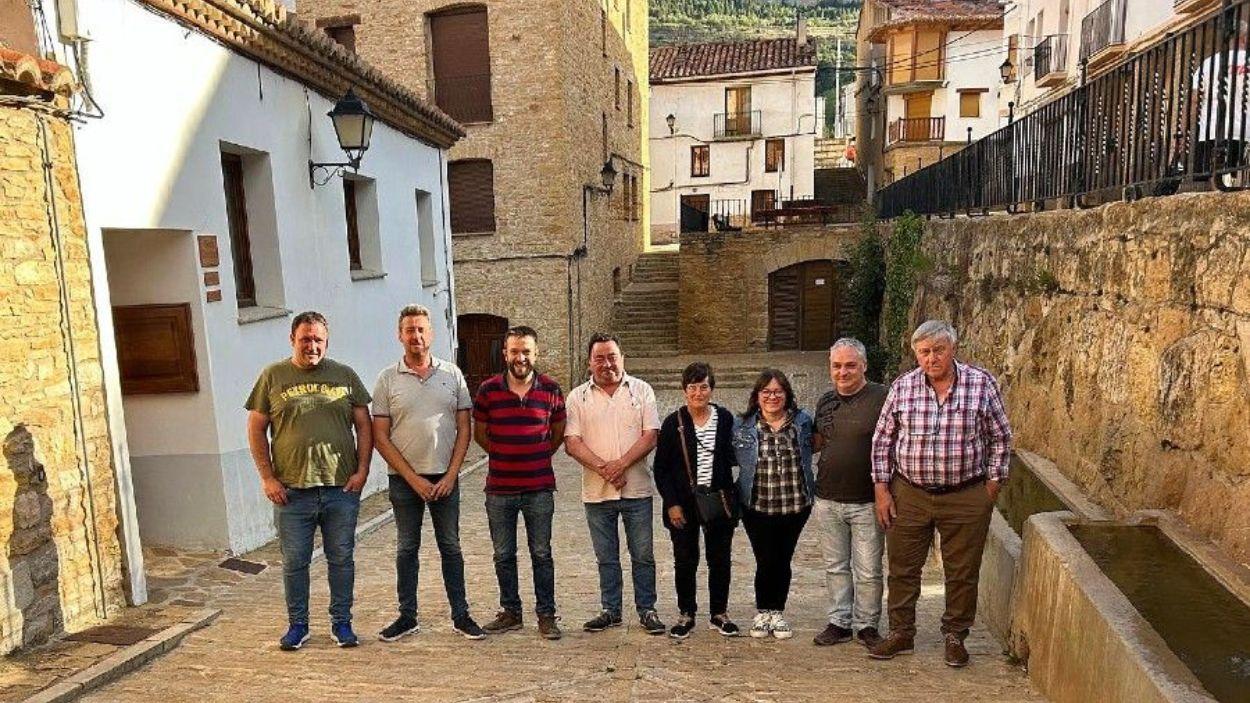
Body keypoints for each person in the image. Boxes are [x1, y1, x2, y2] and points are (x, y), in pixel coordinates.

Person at [868, 320, 1013, 668]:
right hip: (910, 493)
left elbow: (1001, 437)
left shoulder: (981, 384)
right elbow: (882, 440)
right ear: (916, 354)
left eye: (938, 350)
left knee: (962, 570)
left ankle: (955, 635)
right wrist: (882, 490)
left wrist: (991, 487)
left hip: (966, 494)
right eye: (924, 352)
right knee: (902, 568)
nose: (931, 358)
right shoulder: (903, 387)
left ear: (953, 349)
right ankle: (901, 632)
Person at [245, 311, 372, 650]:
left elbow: (364, 425)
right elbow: (256, 428)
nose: (312, 345)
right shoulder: (273, 376)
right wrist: (267, 477)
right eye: (305, 339)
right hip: (291, 492)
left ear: (326, 342)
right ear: (292, 339)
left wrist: (362, 470)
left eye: (318, 339)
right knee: (294, 562)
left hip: (339, 489)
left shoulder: (345, 375)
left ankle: (342, 623)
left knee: (341, 559)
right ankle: (298, 626)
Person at [371, 304, 484, 642]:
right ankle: (407, 616)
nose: (416, 336)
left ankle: (461, 615)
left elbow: (465, 428)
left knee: (451, 547)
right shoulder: (387, 379)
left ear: (431, 334)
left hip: (445, 478)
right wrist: (412, 478)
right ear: (400, 335)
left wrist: (451, 475)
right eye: (410, 330)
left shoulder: (453, 374)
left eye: (421, 329)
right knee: (407, 548)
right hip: (405, 481)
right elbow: (380, 437)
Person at [565, 333, 665, 635]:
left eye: (612, 357)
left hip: (637, 489)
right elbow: (572, 442)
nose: (607, 363)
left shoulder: (642, 390)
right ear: (589, 363)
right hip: (597, 492)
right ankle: (611, 610)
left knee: (643, 555)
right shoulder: (577, 397)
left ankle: (647, 609)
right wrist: (605, 469)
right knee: (606, 557)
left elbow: (651, 435)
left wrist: (620, 464)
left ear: (622, 359)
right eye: (600, 358)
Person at [472, 325, 566, 640]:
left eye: (526, 351)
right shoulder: (488, 390)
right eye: (514, 351)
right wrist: (505, 454)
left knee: (541, 553)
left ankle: (546, 615)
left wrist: (536, 454)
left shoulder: (551, 389)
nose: (520, 357)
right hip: (500, 489)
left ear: (536, 353)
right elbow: (480, 434)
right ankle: (511, 612)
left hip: (539, 487)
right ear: (505, 354)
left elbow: (557, 433)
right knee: (503, 554)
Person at [653, 362, 741, 639]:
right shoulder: (673, 423)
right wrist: (672, 503)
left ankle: (719, 613)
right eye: (692, 387)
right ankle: (686, 613)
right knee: (685, 560)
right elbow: (661, 468)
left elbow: (738, 455)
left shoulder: (725, 419)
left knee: (720, 559)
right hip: (683, 503)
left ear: (711, 389)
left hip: (717, 499)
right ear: (684, 390)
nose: (698, 393)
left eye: (703, 387)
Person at [811, 338, 888, 649]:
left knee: (868, 570)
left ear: (864, 366)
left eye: (850, 366)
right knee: (836, 567)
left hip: (867, 500)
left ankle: (867, 625)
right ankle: (840, 622)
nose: (843, 372)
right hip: (827, 498)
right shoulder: (825, 401)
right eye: (837, 366)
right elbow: (818, 441)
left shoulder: (883, 398)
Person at [733, 369, 815, 640]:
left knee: (783, 558)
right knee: (764, 558)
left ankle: (777, 612)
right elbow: (731, 455)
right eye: (766, 392)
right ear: (757, 396)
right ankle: (763, 612)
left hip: (794, 504)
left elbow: (815, 446)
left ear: (787, 395)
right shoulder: (743, 425)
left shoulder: (802, 421)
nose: (772, 397)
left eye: (778, 391)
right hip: (756, 505)